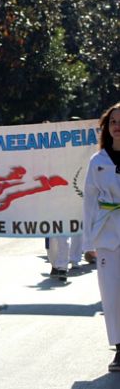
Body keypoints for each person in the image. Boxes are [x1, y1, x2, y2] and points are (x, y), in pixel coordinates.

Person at [82, 102, 120, 373]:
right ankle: (119, 347)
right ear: (107, 128)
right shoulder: (98, 161)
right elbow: (89, 204)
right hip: (108, 236)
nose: (117, 126)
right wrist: (88, 243)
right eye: (113, 122)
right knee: (112, 294)